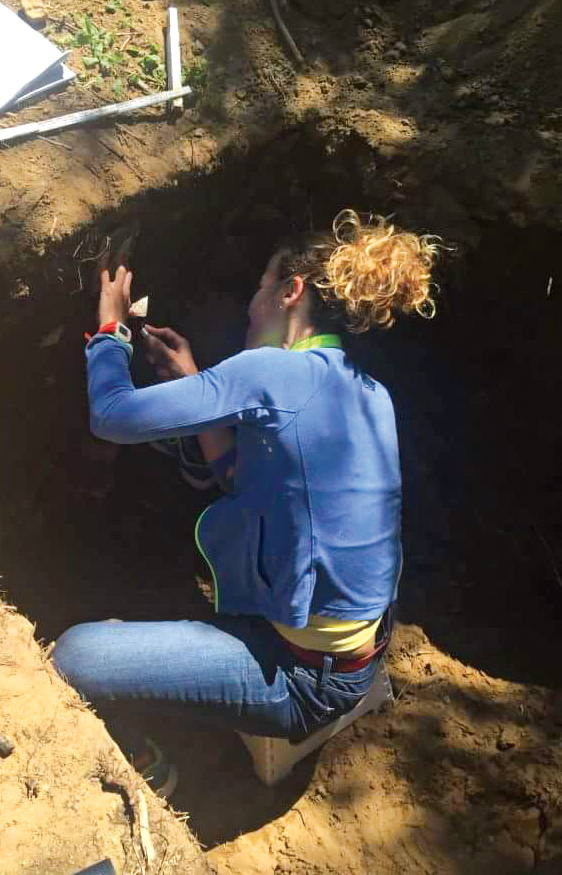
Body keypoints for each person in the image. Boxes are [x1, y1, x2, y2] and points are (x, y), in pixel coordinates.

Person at [53, 209, 442, 785]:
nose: (250, 305)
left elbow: (111, 416)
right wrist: (192, 375)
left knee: (73, 656)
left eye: (261, 288)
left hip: (303, 677)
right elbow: (249, 480)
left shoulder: (270, 371)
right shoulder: (368, 391)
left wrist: (111, 330)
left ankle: (145, 763)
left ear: (291, 292)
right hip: (356, 649)